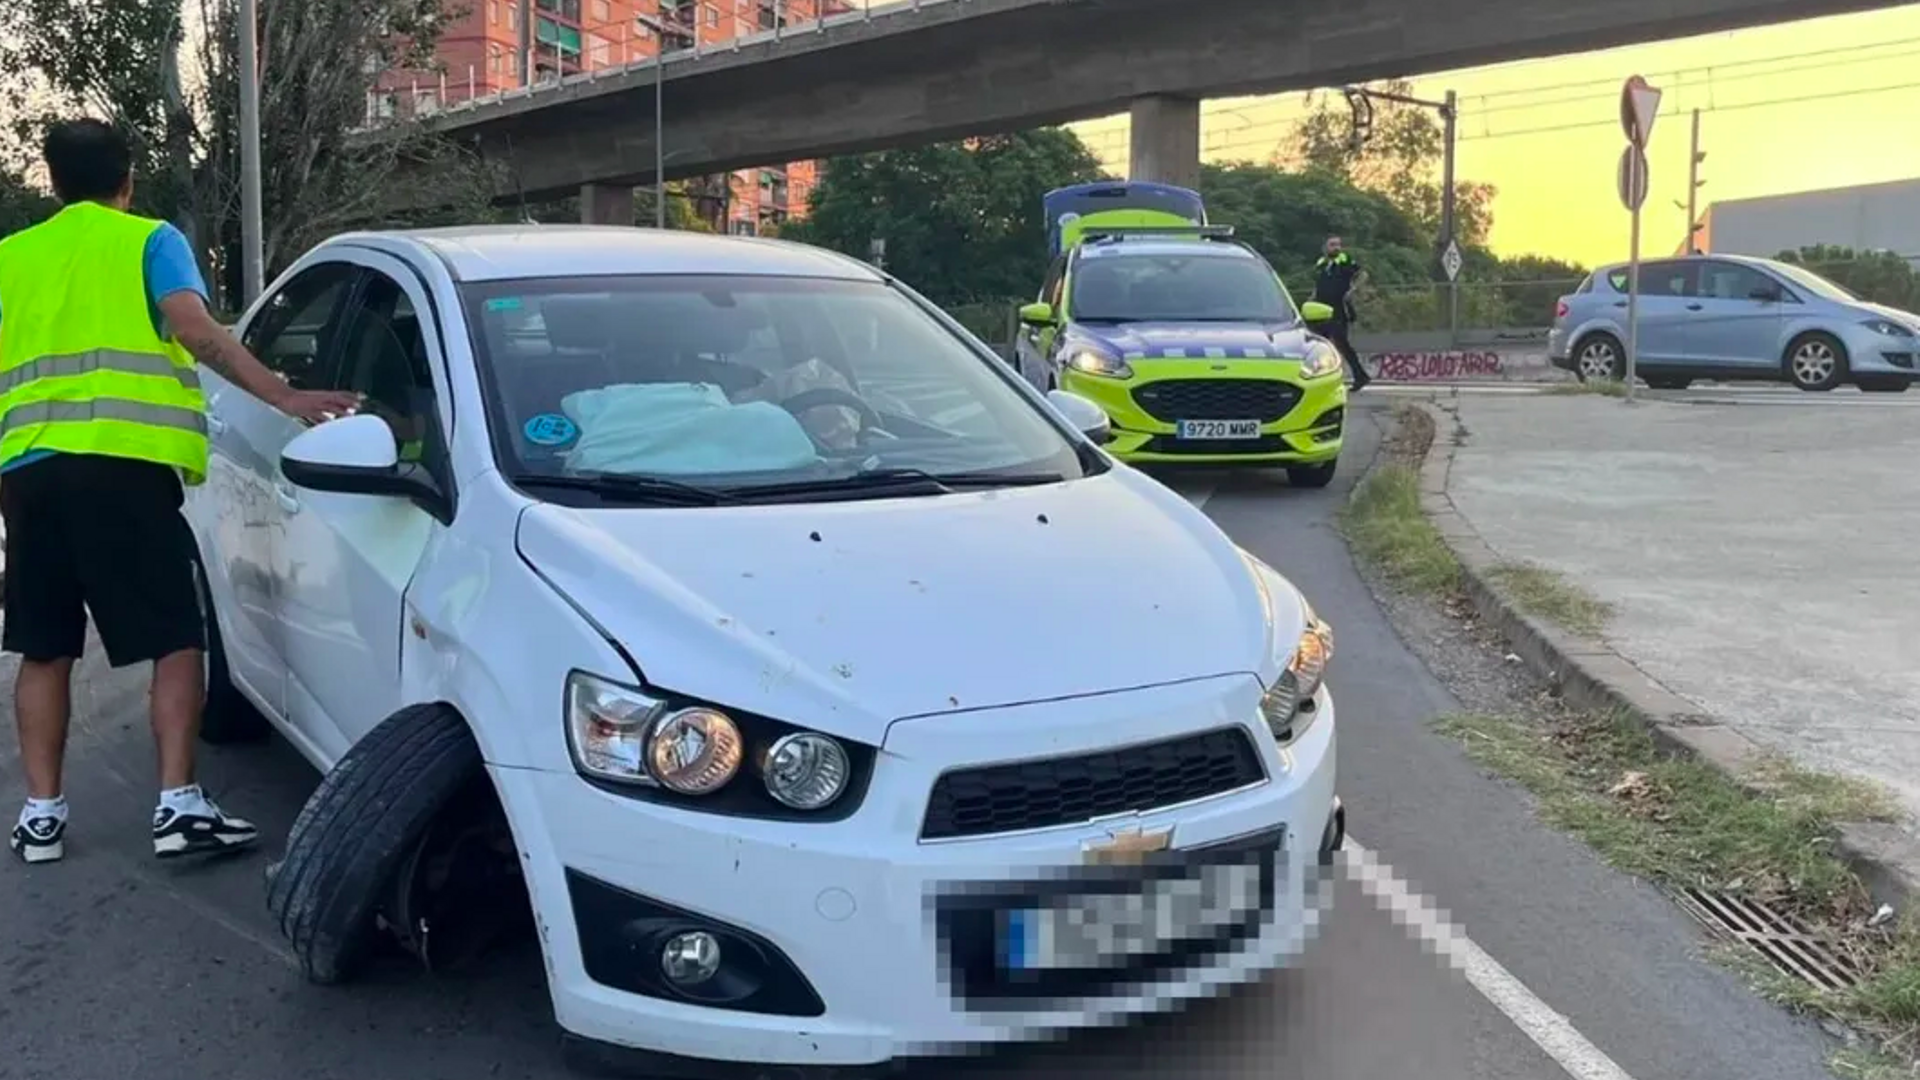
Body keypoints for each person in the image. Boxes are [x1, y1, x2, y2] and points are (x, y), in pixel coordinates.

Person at [0, 119, 360, 865]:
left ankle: (41, 816)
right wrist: (283, 396)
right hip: (123, 466)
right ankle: (179, 806)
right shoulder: (150, 240)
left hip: (28, 472)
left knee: (43, 645)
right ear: (126, 181)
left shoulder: (13, 256)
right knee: (174, 636)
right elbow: (196, 330)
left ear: (54, 182)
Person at [1312, 235, 1369, 391]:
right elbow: (1318, 284)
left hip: (1338, 309)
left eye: (1338, 244)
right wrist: (1312, 299)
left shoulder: (1345, 260)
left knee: (1341, 343)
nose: (1336, 247)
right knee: (1320, 345)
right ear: (1325, 247)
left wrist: (1352, 290)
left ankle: (1360, 376)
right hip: (1321, 310)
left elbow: (1363, 274)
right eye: (1332, 244)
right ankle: (1321, 378)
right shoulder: (1321, 263)